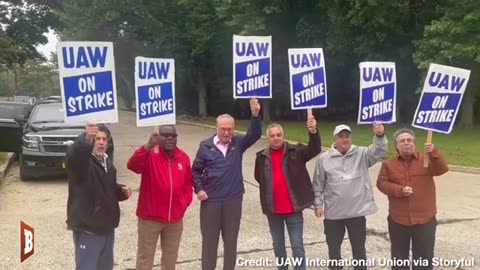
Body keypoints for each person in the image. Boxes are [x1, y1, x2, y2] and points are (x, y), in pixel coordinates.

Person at [192, 98, 262, 270]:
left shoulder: (238, 143)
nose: (226, 132)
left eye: (230, 129)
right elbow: (195, 171)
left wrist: (254, 114)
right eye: (223, 129)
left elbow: (254, 135)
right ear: (217, 128)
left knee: (231, 241)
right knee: (209, 242)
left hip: (233, 200)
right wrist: (199, 189)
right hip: (211, 201)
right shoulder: (205, 146)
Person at [312, 123, 387, 270]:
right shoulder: (324, 159)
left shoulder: (362, 154)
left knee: (359, 250)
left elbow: (379, 150)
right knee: (334, 250)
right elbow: (318, 183)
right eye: (341, 136)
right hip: (333, 214)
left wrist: (379, 135)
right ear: (335, 138)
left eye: (347, 136)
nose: (344, 139)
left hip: (356, 212)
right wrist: (318, 204)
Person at [254, 115, 321, 270]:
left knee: (297, 246)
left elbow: (314, 149)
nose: (276, 138)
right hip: (273, 211)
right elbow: (259, 178)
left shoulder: (296, 151)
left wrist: (313, 131)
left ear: (283, 136)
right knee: (278, 246)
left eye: (279, 135)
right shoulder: (261, 157)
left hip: (293, 209)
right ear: (268, 138)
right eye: (272, 136)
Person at [377, 128, 448, 270]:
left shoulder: (425, 160)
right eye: (402, 141)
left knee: (424, 259)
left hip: (425, 220)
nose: (406, 143)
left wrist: (433, 152)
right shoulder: (388, 164)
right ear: (396, 145)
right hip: (398, 220)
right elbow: (381, 183)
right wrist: (399, 190)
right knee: (399, 259)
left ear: (414, 143)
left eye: (409, 140)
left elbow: (442, 169)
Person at [66, 123, 132, 270]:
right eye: (97, 139)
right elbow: (74, 156)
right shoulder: (82, 164)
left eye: (104, 139)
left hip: (107, 229)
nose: (101, 142)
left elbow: (108, 188)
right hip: (88, 229)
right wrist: (86, 138)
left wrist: (121, 191)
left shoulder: (108, 163)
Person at [127, 125, 193, 270]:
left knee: (171, 258)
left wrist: (184, 202)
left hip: (174, 220)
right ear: (158, 137)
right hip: (150, 219)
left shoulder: (183, 157)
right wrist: (148, 146)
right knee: (145, 258)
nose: (170, 138)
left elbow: (188, 182)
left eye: (173, 136)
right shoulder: (149, 154)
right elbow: (133, 166)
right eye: (165, 135)